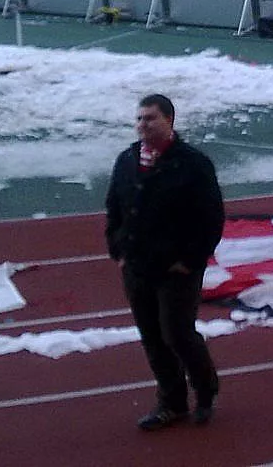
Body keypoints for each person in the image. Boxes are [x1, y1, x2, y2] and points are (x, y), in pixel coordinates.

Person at [105, 94, 225, 431]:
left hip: (177, 269)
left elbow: (211, 218)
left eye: (150, 118)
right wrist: (119, 250)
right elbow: (114, 206)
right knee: (152, 337)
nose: (142, 125)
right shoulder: (127, 160)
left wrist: (189, 261)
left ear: (169, 120)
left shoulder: (193, 164)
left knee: (177, 334)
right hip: (137, 266)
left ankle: (205, 391)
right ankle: (171, 402)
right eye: (139, 119)